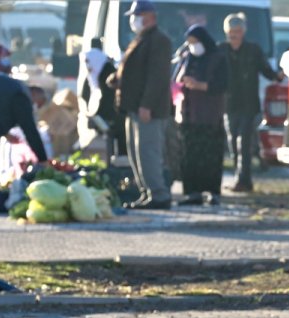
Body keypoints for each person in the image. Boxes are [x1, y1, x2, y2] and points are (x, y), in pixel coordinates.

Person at [110, 0, 172, 210]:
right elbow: (134, 71)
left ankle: (159, 195)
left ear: (149, 16)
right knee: (136, 154)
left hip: (148, 110)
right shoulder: (141, 40)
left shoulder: (159, 41)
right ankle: (146, 192)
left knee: (148, 152)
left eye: (136, 15)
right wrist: (117, 79)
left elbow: (157, 77)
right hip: (134, 107)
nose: (133, 20)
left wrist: (147, 105)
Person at [218, 12, 284, 193]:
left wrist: (278, 76)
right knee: (232, 144)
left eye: (238, 31)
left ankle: (244, 181)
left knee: (243, 143)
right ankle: (239, 178)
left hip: (248, 105)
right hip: (228, 105)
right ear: (227, 32)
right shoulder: (220, 50)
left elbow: (266, 70)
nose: (234, 35)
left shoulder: (253, 50)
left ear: (243, 32)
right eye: (231, 31)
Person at [174, 25, 229, 205]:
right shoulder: (186, 58)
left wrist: (200, 85)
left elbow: (223, 84)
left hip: (210, 116)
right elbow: (176, 79)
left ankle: (212, 192)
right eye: (190, 42)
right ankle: (192, 192)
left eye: (195, 42)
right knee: (189, 154)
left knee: (211, 155)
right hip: (189, 115)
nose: (193, 46)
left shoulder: (218, 58)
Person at [0, 71, 48, 166]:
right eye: (38, 104)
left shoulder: (14, 87)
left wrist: (5, 133)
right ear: (34, 94)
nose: (34, 107)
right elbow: (30, 130)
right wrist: (43, 159)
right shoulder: (21, 96)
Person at [80, 47, 127, 156]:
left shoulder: (107, 72)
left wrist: (98, 115)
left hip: (117, 114)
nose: (87, 65)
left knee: (120, 141)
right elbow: (86, 93)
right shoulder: (96, 72)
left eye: (88, 61)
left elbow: (108, 97)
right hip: (110, 114)